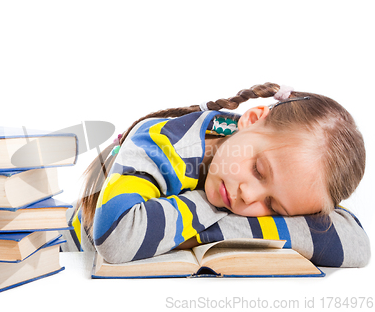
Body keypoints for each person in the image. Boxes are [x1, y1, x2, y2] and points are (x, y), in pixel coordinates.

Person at [62, 82, 370, 267]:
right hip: (63, 256)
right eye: (258, 170)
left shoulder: (278, 162)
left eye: (274, 208)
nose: (249, 197)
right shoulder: (164, 142)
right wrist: (214, 210)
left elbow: (357, 246)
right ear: (251, 119)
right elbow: (116, 237)